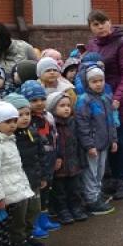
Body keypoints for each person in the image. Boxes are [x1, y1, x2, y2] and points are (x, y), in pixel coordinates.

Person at [86, 10, 123, 201]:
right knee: (105, 137)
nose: (100, 27)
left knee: (121, 138)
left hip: (119, 96)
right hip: (99, 95)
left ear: (110, 23)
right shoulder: (92, 44)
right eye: (95, 24)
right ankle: (110, 178)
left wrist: (117, 97)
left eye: (102, 23)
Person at [0, 100, 34, 246]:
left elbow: (15, 169)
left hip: (9, 193)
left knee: (5, 224)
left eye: (13, 121)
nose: (12, 125)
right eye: (7, 122)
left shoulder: (9, 141)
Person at [3, 93, 46, 246]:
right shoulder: (8, 138)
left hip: (33, 179)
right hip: (18, 183)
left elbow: (41, 155)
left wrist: (43, 176)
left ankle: (27, 235)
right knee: (19, 214)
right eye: (19, 115)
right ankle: (18, 240)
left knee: (34, 209)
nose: (24, 118)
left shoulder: (32, 132)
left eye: (27, 114)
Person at [74, 67, 117, 216]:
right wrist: (89, 145)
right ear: (87, 83)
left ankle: (96, 195)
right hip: (92, 145)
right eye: (94, 81)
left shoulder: (105, 98)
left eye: (101, 80)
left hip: (104, 143)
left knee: (100, 172)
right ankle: (91, 200)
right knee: (90, 173)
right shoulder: (84, 100)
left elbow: (111, 121)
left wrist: (113, 139)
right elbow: (82, 124)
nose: (98, 84)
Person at [20, 80, 59, 237]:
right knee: (36, 192)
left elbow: (55, 135)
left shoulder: (48, 115)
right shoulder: (27, 120)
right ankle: (34, 222)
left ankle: (44, 218)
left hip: (50, 156)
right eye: (34, 100)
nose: (39, 103)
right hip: (36, 160)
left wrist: (58, 155)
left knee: (47, 188)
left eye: (42, 99)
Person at [46, 92, 88, 225]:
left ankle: (75, 208)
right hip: (59, 166)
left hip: (73, 163)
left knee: (74, 188)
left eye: (68, 105)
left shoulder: (72, 122)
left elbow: (78, 141)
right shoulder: (51, 125)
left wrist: (81, 159)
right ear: (53, 108)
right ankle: (62, 211)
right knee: (60, 191)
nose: (66, 108)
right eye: (62, 105)